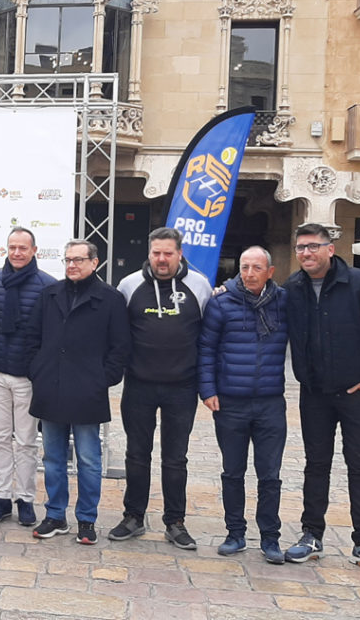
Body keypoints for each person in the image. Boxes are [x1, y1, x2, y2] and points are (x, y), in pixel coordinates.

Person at [283, 223, 360, 577]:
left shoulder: (358, 283)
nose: (306, 253)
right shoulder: (293, 287)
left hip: (356, 395)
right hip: (314, 394)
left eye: (313, 247)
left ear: (330, 250)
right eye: (301, 247)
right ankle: (311, 536)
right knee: (316, 465)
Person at [24, 239, 130, 543]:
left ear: (94, 263)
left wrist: (102, 378)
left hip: (88, 392)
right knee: (53, 459)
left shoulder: (111, 299)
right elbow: (33, 338)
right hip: (51, 389)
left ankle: (87, 520)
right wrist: (38, 371)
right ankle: (55, 515)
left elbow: (120, 347)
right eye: (68, 259)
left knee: (89, 459)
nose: (72, 265)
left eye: (79, 260)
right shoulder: (49, 294)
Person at [112, 226, 211, 549]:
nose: (162, 259)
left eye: (168, 253)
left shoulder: (199, 286)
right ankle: (133, 517)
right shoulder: (129, 285)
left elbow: (210, 335)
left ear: (180, 254)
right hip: (138, 385)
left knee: (175, 458)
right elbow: (116, 332)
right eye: (156, 253)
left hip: (182, 388)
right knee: (137, 454)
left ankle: (175, 522)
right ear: (149, 253)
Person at [197, 246, 289, 564]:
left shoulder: (284, 302)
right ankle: (235, 533)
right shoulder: (221, 303)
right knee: (232, 472)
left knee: (270, 475)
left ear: (270, 272)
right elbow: (206, 349)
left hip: (270, 403)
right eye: (244, 267)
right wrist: (207, 390)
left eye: (256, 268)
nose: (249, 273)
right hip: (230, 403)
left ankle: (270, 538)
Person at [0, 226, 56, 527]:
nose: (17, 253)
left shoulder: (48, 285)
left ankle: (25, 498)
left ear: (34, 250)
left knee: (26, 441)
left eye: (23, 248)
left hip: (28, 377)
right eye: (12, 247)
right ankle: (1, 497)